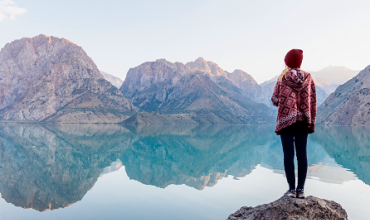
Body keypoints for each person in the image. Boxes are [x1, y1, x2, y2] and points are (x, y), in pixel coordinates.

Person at [271, 49, 317, 199]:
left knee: (288, 155)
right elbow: (313, 99)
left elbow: (275, 100)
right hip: (303, 121)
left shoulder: (282, 78)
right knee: (302, 155)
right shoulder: (308, 78)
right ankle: (301, 190)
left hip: (286, 122)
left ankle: (291, 189)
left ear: (287, 62)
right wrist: (310, 117)